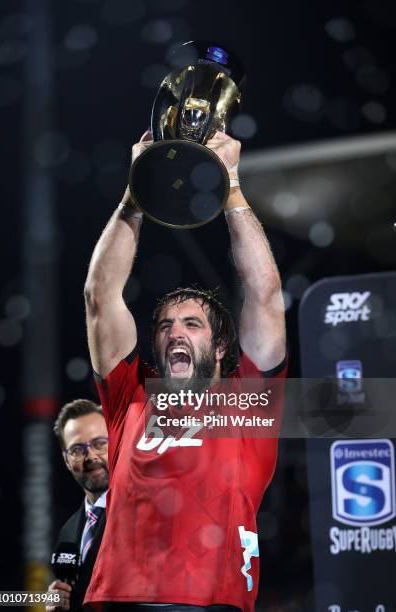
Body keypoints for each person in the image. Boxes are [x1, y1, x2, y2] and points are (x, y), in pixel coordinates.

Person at [83, 130, 287, 612]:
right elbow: (100, 295)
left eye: (192, 324)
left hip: (207, 603)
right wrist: (137, 193)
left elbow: (264, 293)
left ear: (219, 347)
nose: (175, 332)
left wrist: (231, 185)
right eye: (165, 325)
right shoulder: (128, 402)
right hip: (114, 601)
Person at [46, 399, 109, 612]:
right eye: (77, 449)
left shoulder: (146, 513)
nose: (91, 456)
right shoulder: (68, 531)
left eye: (100, 443)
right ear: (66, 460)